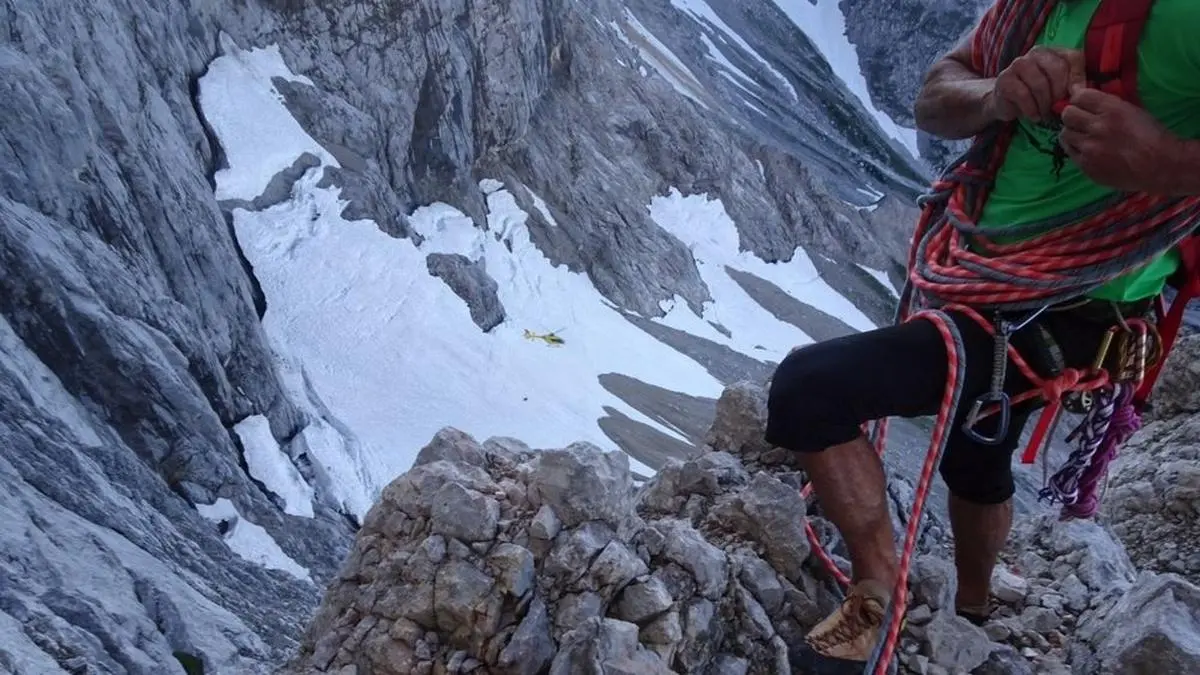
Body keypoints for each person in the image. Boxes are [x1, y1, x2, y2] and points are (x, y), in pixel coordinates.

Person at [765, 0, 1200, 671]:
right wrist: (996, 94)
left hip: (1078, 308)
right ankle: (971, 608)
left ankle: (878, 585)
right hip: (981, 278)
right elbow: (938, 93)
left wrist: (1168, 163)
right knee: (977, 448)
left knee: (809, 387)